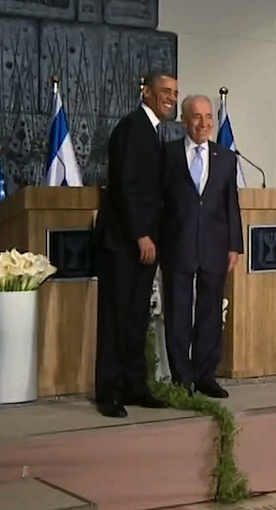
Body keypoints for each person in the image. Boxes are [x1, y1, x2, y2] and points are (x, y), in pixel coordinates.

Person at [93, 71, 179, 418]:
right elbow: (124, 186)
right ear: (146, 92)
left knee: (135, 318)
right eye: (164, 91)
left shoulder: (153, 131)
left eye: (174, 92)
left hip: (142, 244)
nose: (171, 97)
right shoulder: (133, 128)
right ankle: (109, 393)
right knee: (116, 319)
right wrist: (141, 234)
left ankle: (134, 385)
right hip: (124, 243)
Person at [159, 94, 243, 398]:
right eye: (197, 117)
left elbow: (230, 203)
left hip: (215, 247)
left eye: (209, 117)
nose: (204, 123)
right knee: (178, 313)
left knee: (209, 314)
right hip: (177, 245)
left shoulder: (226, 158)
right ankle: (182, 378)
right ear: (184, 121)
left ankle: (206, 376)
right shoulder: (167, 155)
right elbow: (159, 202)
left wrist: (235, 245)